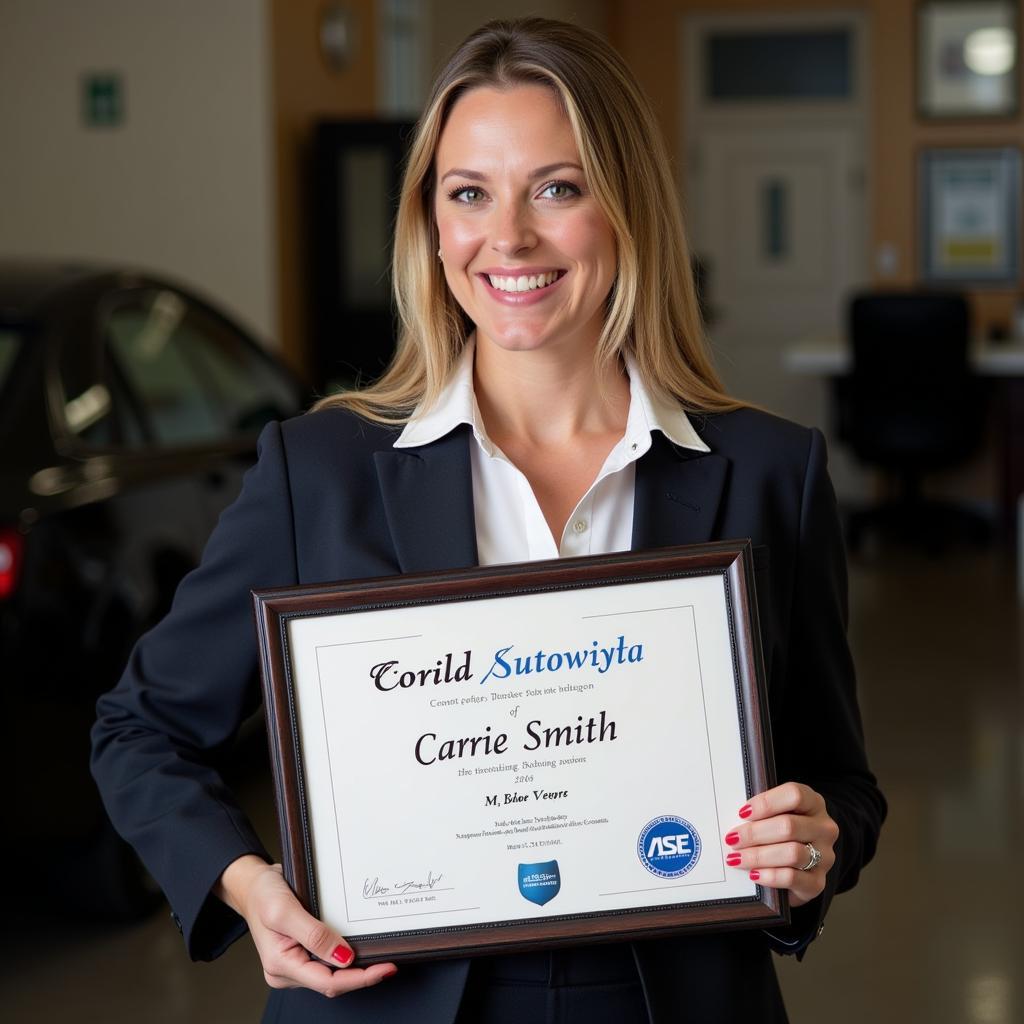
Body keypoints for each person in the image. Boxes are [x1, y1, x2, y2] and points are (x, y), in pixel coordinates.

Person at [91, 17, 885, 1024]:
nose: (506, 237)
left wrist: (816, 843)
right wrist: (248, 887)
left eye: (557, 187)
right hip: (385, 999)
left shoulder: (773, 472)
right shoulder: (319, 471)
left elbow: (840, 781)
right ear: (430, 222)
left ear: (626, 204)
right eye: (468, 192)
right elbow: (140, 727)